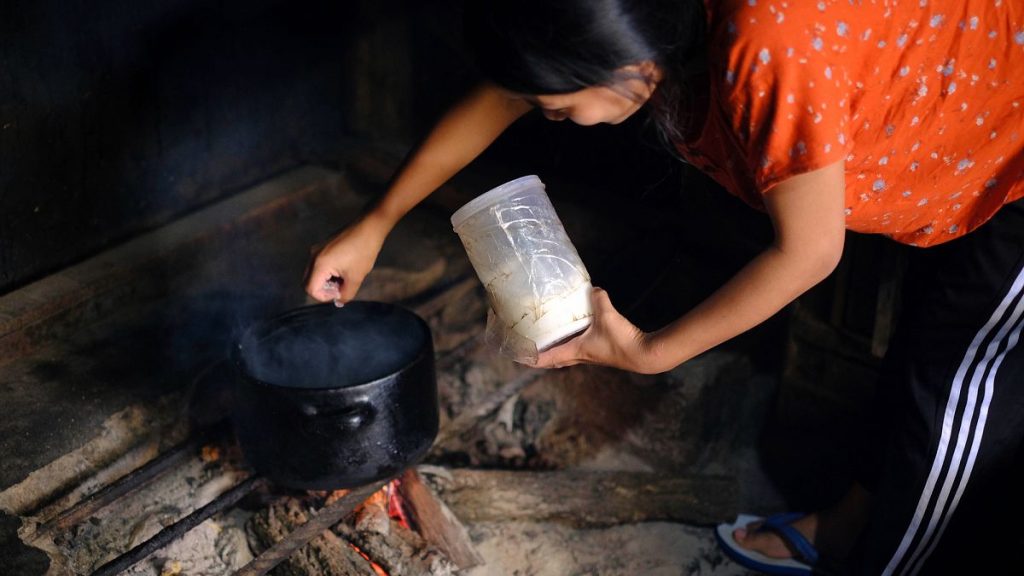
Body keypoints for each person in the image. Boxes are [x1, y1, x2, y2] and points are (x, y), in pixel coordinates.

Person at [305, 0, 1024, 573]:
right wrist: (378, 220)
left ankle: (883, 558)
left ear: (630, 62)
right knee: (920, 344)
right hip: (938, 107)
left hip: (1009, 147)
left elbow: (808, 254)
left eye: (558, 108)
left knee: (954, 382)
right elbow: (507, 94)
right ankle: (846, 524)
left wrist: (650, 352)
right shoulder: (634, 19)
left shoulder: (768, 42)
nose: (556, 119)